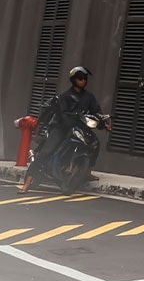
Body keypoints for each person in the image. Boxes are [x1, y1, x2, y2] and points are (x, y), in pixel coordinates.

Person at [21, 65, 106, 193]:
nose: (83, 80)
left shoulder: (89, 97)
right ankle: (27, 183)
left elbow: (96, 111)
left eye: (85, 78)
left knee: (95, 143)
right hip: (62, 127)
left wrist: (104, 122)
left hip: (80, 126)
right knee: (46, 151)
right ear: (74, 79)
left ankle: (87, 172)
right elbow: (63, 113)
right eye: (81, 78)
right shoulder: (65, 96)